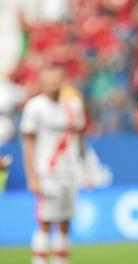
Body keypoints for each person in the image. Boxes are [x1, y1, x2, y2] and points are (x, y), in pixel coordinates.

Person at [20, 64, 86, 264]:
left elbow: (80, 140)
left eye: (56, 82)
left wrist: (85, 169)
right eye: (49, 82)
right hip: (47, 172)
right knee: (45, 221)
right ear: (42, 83)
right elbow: (28, 145)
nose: (53, 86)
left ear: (62, 82)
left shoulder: (74, 106)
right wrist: (32, 176)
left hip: (70, 172)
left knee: (65, 221)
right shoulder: (34, 107)